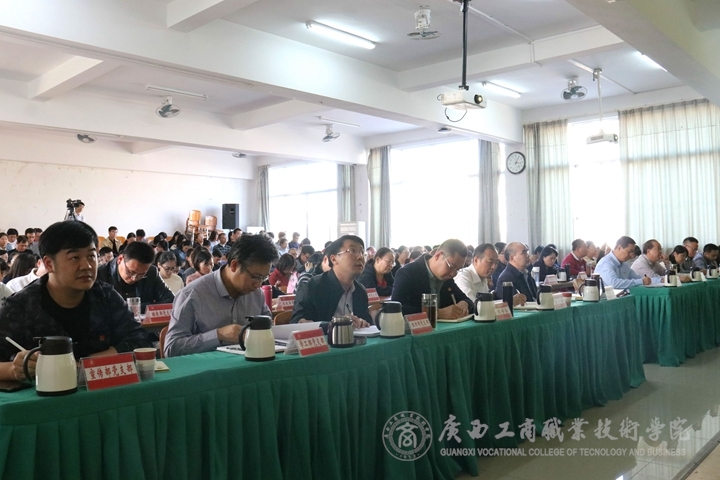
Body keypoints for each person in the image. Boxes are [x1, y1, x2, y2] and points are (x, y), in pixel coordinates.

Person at [0, 221, 151, 381]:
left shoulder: (105, 296)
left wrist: (85, 366)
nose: (86, 266)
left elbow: (139, 340)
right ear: (49, 264)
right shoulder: (21, 305)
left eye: (91, 256)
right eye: (74, 258)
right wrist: (13, 370)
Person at [164, 233, 278, 357]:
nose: (258, 284)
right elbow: (171, 348)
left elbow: (269, 331)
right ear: (234, 265)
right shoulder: (192, 295)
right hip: (207, 368)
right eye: (255, 277)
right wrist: (218, 335)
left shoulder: (256, 294)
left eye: (264, 278)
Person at [290, 235, 372, 328]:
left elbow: (367, 324)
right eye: (352, 251)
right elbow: (297, 323)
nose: (360, 257)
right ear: (333, 259)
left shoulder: (360, 291)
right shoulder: (311, 286)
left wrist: (363, 323)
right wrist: (337, 325)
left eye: (362, 252)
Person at [391, 238, 472, 318]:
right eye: (451, 266)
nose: (453, 274)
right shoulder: (407, 273)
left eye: (458, 269)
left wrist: (464, 303)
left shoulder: (447, 277)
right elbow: (397, 309)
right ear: (438, 255)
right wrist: (438, 313)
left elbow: (467, 300)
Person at [96, 241, 174, 310]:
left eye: (141, 275)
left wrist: (135, 308)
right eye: (130, 272)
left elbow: (170, 300)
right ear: (120, 259)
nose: (134, 278)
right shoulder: (100, 275)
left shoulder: (151, 272)